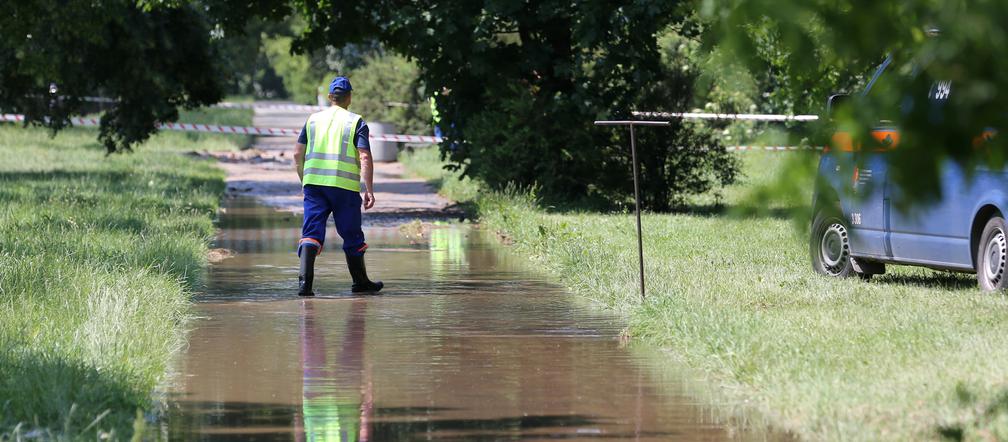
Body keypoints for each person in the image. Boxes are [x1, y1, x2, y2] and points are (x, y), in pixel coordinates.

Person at [293, 76, 383, 296]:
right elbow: (364, 156)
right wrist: (369, 189)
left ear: (330, 97)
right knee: (352, 235)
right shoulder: (356, 122)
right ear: (349, 97)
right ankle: (360, 283)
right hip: (344, 188)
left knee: (311, 234)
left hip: (314, 185)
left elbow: (297, 154)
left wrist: (304, 180)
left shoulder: (312, 120)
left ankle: (305, 286)